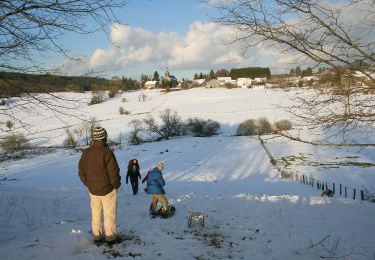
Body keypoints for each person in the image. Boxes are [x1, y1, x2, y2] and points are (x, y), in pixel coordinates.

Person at [78, 126, 121, 246]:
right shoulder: (107, 153)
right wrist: (116, 185)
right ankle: (110, 238)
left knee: (96, 214)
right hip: (108, 190)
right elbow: (114, 173)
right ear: (104, 138)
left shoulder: (86, 153)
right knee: (109, 214)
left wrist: (89, 184)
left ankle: (97, 237)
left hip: (93, 191)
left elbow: (81, 172)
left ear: (94, 138)